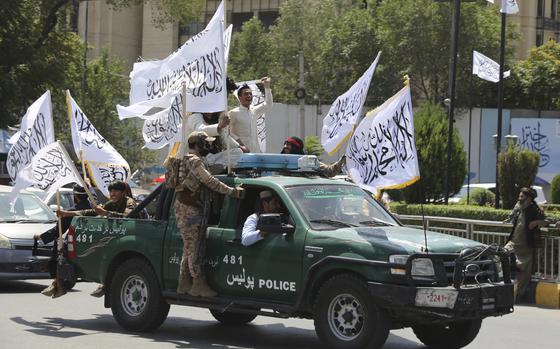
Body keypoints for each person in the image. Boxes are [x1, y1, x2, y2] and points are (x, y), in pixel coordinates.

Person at [171, 131, 244, 297]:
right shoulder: (194, 161)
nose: (209, 146)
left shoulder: (191, 160)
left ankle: (183, 283)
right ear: (197, 144)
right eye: (206, 143)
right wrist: (232, 192)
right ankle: (198, 284)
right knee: (194, 247)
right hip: (189, 209)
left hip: (188, 207)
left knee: (189, 247)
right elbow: (210, 181)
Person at [57, 180, 137, 297]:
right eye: (111, 191)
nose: (113, 194)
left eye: (116, 191)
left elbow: (127, 216)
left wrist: (106, 213)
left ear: (123, 192)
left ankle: (105, 284)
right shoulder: (111, 203)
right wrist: (66, 213)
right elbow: (90, 212)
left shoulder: (130, 202)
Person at [34, 184, 92, 298]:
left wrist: (41, 236)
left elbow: (57, 231)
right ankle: (55, 283)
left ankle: (59, 286)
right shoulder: (94, 209)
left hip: (75, 242)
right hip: (90, 242)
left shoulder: (71, 211)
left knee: (60, 254)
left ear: (76, 196)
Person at [504, 187, 547, 301]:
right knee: (502, 255)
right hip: (513, 243)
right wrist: (507, 219)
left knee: (524, 273)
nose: (519, 198)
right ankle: (503, 289)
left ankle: (518, 295)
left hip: (526, 246)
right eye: (519, 196)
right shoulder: (518, 207)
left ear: (529, 198)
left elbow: (546, 222)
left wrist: (536, 222)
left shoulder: (534, 209)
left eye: (522, 197)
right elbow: (511, 216)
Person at [229, 77, 273, 153]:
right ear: (240, 97)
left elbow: (268, 104)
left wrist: (267, 87)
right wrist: (239, 143)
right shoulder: (233, 113)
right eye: (246, 94)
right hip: (241, 151)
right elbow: (227, 132)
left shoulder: (254, 111)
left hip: (255, 151)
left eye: (250, 94)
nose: (249, 96)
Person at [280, 136, 346, 178]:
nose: (285, 147)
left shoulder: (307, 161)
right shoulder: (278, 161)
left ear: (296, 147)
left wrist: (342, 161)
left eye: (288, 144)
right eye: (285, 144)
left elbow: (329, 171)